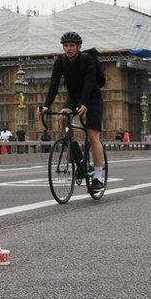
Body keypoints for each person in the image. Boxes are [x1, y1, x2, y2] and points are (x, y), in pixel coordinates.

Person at [37, 31, 106, 192]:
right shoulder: (60, 62)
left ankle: (98, 176)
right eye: (66, 46)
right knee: (63, 116)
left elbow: (89, 83)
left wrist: (84, 103)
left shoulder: (87, 60)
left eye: (72, 46)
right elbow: (54, 84)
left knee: (93, 136)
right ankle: (74, 149)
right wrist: (46, 105)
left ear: (79, 47)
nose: (68, 48)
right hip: (74, 97)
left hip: (93, 98)